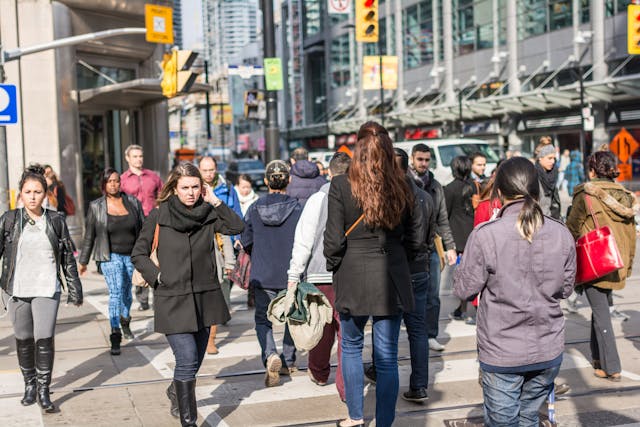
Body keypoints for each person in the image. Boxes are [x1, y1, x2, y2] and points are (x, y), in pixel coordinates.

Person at [453, 157, 576, 426]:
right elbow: (566, 289)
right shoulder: (560, 232)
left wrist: (457, 267)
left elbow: (463, 289)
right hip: (547, 349)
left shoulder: (486, 235)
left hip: (502, 351)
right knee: (528, 417)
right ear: (537, 190)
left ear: (499, 192)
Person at [324, 121, 422, 427]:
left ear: (357, 149)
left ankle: (355, 417)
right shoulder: (403, 185)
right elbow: (415, 239)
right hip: (391, 275)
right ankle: (385, 422)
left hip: (352, 273)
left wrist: (335, 262)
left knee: (351, 347)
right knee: (387, 356)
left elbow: (333, 240)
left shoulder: (341, 185)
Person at [131, 162, 244, 426]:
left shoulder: (208, 212)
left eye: (195, 187)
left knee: (194, 363)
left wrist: (215, 201)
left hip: (205, 297)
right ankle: (189, 421)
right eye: (185, 188)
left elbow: (237, 226)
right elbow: (138, 253)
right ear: (174, 188)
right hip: (172, 298)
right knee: (187, 359)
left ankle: (175, 390)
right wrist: (157, 276)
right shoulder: (159, 215)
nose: (191, 192)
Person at [0, 165, 82, 414]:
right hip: (16, 289)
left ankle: (44, 391)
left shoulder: (56, 220)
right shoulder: (10, 220)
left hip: (47, 288)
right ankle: (29, 386)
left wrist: (74, 287)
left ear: (45, 194)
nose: (33, 196)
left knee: (43, 339)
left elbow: (67, 256)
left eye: (38, 191)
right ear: (20, 194)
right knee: (24, 340)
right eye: (28, 192)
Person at [566, 151, 636, 382]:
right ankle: (598, 360)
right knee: (601, 309)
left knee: (601, 313)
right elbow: (630, 234)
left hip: (595, 261)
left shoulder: (586, 195)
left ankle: (612, 366)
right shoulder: (625, 196)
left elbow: (571, 228)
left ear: (592, 170)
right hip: (616, 261)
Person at [286, 152, 351, 401]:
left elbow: (303, 241)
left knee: (322, 328)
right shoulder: (361, 197)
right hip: (350, 274)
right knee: (348, 333)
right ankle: (346, 386)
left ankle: (319, 372)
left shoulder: (317, 199)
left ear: (329, 173)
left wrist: (294, 274)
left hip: (319, 274)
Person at [241, 160, 302, 388]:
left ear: (266, 181)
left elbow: (246, 240)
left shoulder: (254, 208)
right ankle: (287, 359)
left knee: (263, 319)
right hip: (290, 273)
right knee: (292, 317)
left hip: (263, 273)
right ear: (289, 180)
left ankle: (270, 355)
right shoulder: (298, 208)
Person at [78, 168, 145, 355]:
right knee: (115, 291)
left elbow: (143, 229)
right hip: (109, 256)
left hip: (132, 255)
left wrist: (147, 255)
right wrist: (83, 261)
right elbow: (89, 236)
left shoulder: (133, 202)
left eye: (116, 181)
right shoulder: (96, 206)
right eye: (110, 181)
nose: (113, 184)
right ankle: (115, 333)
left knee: (127, 293)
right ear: (104, 184)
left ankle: (125, 321)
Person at [394, 148, 434, 403]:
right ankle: (419, 385)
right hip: (421, 268)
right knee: (418, 330)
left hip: (398, 269)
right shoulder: (424, 196)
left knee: (386, 327)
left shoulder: (393, 198)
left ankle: (380, 371)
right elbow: (429, 234)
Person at [409, 143, 457, 352]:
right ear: (412, 159)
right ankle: (414, 332)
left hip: (432, 245)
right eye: (420, 159)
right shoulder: (405, 183)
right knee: (409, 294)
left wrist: (450, 246)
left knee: (433, 295)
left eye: (427, 160)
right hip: (410, 247)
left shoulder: (436, 186)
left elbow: (443, 219)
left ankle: (430, 334)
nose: (423, 163)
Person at [198, 156, 239, 354]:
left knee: (218, 293)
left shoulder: (227, 187)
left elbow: (234, 217)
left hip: (222, 245)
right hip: (199, 248)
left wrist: (237, 239)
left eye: (212, 169)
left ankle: (211, 339)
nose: (209, 173)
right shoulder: (193, 189)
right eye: (205, 170)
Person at [120, 144, 163, 311]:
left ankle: (154, 291)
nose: (138, 159)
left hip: (153, 221)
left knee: (156, 255)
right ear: (128, 158)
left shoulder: (153, 177)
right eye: (135, 156)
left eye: (140, 156)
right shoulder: (123, 180)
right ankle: (141, 295)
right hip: (133, 224)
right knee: (139, 257)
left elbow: (162, 195)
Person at [444, 156, 476, 324]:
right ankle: (465, 308)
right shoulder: (474, 187)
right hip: (473, 235)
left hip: (457, 240)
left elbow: (445, 214)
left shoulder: (449, 189)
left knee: (461, 274)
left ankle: (463, 308)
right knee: (471, 273)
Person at [535, 137, 561, 219]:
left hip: (553, 218)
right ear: (540, 158)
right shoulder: (533, 176)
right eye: (549, 158)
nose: (553, 161)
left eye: (554, 158)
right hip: (539, 220)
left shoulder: (553, 173)